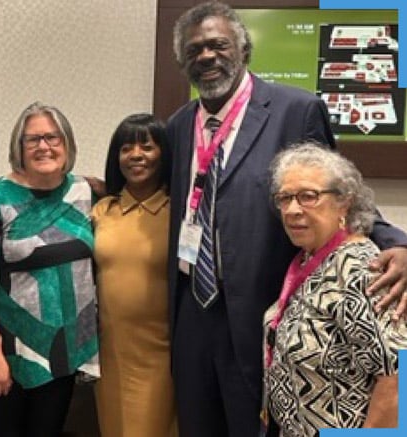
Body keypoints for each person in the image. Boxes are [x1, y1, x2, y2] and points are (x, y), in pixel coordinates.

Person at [165, 2, 407, 436]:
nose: (206, 56)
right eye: (195, 49)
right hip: (191, 311)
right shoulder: (180, 124)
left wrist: (398, 243)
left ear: (243, 50)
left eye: (218, 45)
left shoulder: (294, 109)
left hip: (256, 307)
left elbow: (337, 189)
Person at [0, 102, 99, 437]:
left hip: (63, 350)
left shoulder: (84, 192)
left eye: (53, 138)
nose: (43, 146)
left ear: (67, 145)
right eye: (32, 139)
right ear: (18, 148)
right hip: (6, 353)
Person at [263, 142, 407, 435]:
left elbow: (398, 378)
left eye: (308, 196)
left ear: (345, 202)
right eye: (285, 198)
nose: (292, 210)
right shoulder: (308, 259)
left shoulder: (359, 270)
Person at [92, 113, 177, 437]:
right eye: (126, 148)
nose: (136, 155)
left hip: (161, 354)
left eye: (147, 146)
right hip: (109, 353)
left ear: (164, 154)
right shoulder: (102, 210)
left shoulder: (179, 212)